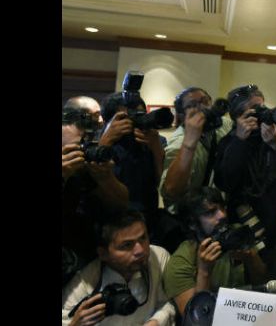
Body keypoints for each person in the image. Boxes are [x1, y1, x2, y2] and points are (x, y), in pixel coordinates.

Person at [214, 84, 276, 279]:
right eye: (255, 110)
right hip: (247, 228)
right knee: (253, 283)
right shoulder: (228, 142)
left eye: (262, 107)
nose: (262, 113)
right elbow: (225, 183)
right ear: (238, 117)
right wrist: (239, 141)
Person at [163, 187, 267, 320]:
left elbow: (263, 283)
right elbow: (195, 319)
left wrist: (250, 258)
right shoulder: (180, 263)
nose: (222, 215)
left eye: (222, 208)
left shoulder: (235, 234)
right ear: (192, 223)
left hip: (247, 315)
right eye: (211, 212)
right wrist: (204, 272)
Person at [62, 210, 176, 326]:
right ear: (103, 254)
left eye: (143, 238)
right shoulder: (83, 283)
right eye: (127, 245)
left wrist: (157, 321)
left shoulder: (158, 257)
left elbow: (168, 302)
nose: (140, 250)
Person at [62, 107, 129, 274]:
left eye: (83, 145)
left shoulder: (85, 167)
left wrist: (106, 178)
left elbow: (121, 205)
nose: (81, 152)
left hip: (87, 255)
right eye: (72, 149)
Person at [99, 92, 165, 241]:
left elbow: (163, 184)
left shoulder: (153, 140)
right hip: (110, 221)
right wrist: (105, 142)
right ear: (108, 121)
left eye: (139, 115)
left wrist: (156, 147)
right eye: (126, 118)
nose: (134, 121)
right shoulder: (99, 141)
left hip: (147, 217)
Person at [160, 87, 231, 213]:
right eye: (192, 105)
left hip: (216, 209)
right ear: (182, 116)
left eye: (205, 101)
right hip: (189, 215)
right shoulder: (178, 142)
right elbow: (171, 191)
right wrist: (189, 143)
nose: (202, 107)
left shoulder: (222, 125)